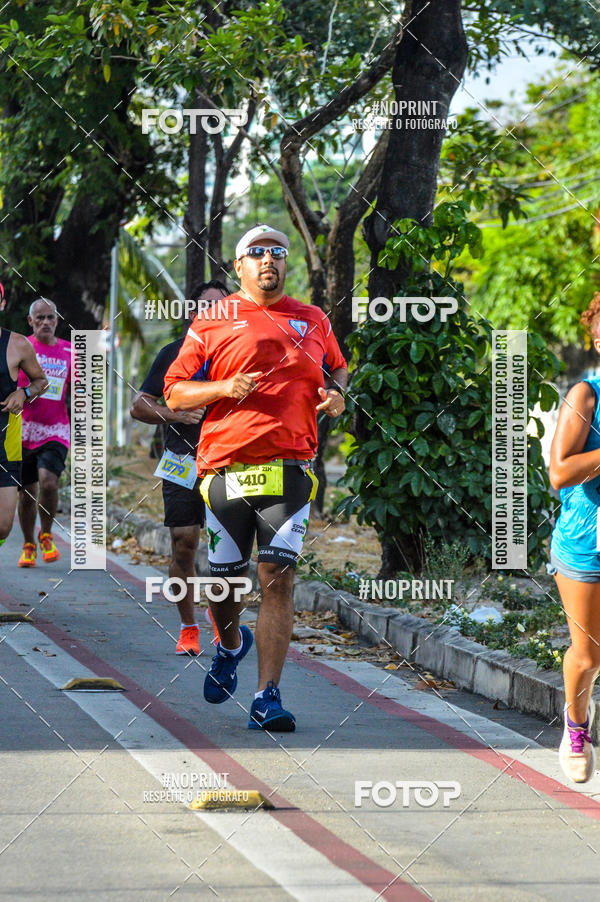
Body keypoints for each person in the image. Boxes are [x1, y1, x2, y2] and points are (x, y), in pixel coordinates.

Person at [164, 225, 347, 732]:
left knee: (277, 579)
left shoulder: (312, 318)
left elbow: (337, 370)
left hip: (290, 468)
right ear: (239, 265)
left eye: (278, 252)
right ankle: (229, 644)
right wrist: (223, 386)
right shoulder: (213, 318)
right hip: (226, 468)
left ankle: (267, 697)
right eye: (257, 252)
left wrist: (337, 395)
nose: (269, 259)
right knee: (225, 583)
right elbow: (175, 392)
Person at [130, 281, 229, 655]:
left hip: (228, 464)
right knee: (183, 544)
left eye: (221, 306)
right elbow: (139, 406)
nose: (213, 312)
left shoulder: (240, 353)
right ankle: (189, 627)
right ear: (192, 312)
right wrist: (175, 414)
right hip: (182, 461)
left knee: (226, 551)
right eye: (206, 305)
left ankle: (220, 616)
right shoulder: (174, 353)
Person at [549, 292, 600, 783]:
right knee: (588, 656)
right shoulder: (586, 395)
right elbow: (560, 472)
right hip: (587, 542)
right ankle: (576, 725)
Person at [16, 298, 72, 566]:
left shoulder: (71, 352)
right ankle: (28, 544)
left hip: (56, 429)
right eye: (40, 318)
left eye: (51, 317)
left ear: (57, 320)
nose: (46, 322)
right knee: (27, 490)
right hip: (23, 430)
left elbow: (81, 392)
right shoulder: (21, 349)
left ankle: (46, 534)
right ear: (31, 321)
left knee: (49, 482)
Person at [0, 286, 49, 552]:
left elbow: (41, 381)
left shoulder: (17, 344)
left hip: (5, 443)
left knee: (3, 526)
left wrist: (24, 392)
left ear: (2, 304)